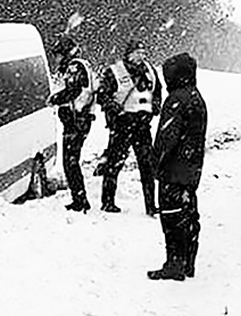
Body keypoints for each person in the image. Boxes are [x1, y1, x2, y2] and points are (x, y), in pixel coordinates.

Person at [147, 53, 207, 281]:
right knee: (189, 216)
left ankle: (175, 263)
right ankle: (187, 262)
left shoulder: (176, 100)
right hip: (191, 169)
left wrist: (155, 164)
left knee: (172, 218)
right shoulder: (195, 96)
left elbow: (165, 139)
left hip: (174, 170)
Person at [96, 39, 162, 215]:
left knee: (147, 166)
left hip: (143, 125)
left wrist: (156, 105)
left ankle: (151, 206)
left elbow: (157, 91)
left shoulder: (150, 71)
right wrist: (112, 107)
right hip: (122, 125)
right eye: (138, 52)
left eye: (143, 52)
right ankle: (107, 202)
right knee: (114, 165)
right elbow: (102, 95)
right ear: (129, 54)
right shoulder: (114, 71)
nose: (142, 56)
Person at [48, 36, 96, 212]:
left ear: (66, 53)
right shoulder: (79, 65)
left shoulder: (75, 66)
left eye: (58, 55)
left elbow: (73, 90)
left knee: (70, 162)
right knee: (71, 162)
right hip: (78, 120)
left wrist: (54, 99)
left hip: (77, 121)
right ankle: (79, 198)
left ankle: (80, 200)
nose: (56, 59)